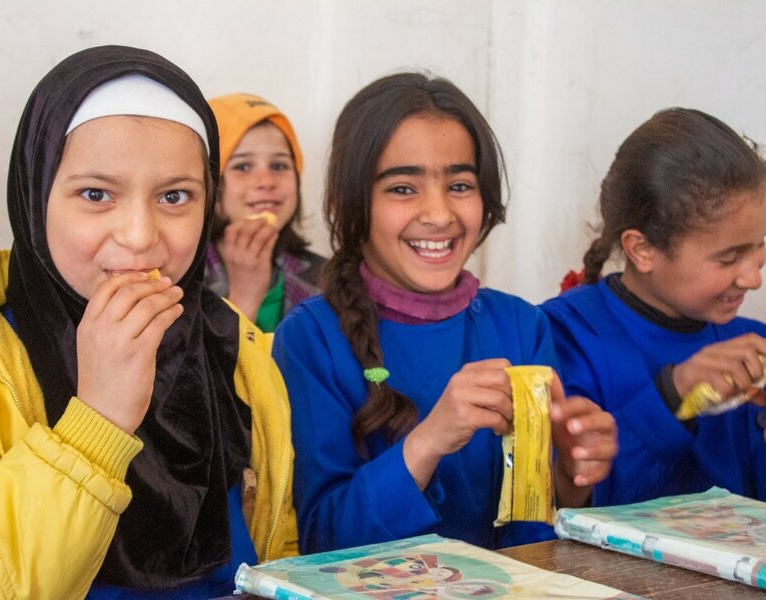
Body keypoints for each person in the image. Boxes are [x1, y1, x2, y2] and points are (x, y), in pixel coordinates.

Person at [0, 45, 296, 599]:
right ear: (34, 195)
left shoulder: (235, 349)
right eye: (96, 194)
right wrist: (98, 420)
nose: (140, 235)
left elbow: (281, 559)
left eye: (175, 196)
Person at [271, 72, 617, 554]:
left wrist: (571, 475)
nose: (438, 213)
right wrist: (430, 439)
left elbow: (535, 538)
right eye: (402, 189)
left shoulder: (520, 325)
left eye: (459, 184)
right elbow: (322, 541)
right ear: (352, 202)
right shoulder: (309, 339)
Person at [542, 108, 766, 506]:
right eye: (729, 258)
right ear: (642, 249)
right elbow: (564, 504)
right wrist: (672, 394)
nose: (753, 278)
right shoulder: (563, 334)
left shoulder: (752, 343)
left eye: (760, 246)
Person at [205, 93, 324, 332]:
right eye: (243, 166)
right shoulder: (176, 277)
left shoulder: (327, 278)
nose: (266, 181)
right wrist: (245, 297)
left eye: (279, 166)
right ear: (208, 182)